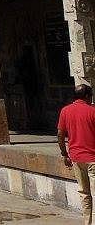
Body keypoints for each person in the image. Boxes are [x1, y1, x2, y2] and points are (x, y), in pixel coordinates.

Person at [59, 84, 95, 224]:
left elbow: (60, 134)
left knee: (84, 193)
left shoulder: (65, 111)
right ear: (87, 96)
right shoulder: (92, 111)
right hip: (92, 158)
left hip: (76, 157)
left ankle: (87, 222)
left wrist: (64, 154)